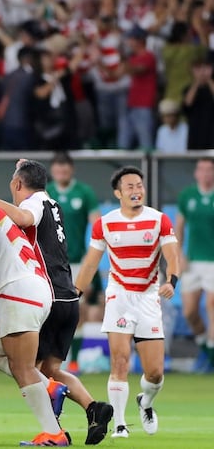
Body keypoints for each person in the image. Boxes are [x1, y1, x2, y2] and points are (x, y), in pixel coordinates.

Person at [0, 160, 113, 445]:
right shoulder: (54, 204)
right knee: (48, 370)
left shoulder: (35, 204)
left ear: (18, 185)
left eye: (13, 188)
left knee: (8, 360)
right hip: (68, 297)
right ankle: (93, 407)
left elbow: (25, 219)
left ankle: (53, 430)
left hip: (45, 296)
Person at [74, 166, 180, 439]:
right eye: (130, 187)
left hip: (148, 298)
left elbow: (172, 254)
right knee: (120, 361)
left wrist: (172, 281)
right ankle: (120, 424)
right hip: (119, 295)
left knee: (155, 373)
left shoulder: (159, 220)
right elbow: (90, 263)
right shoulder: (105, 223)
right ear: (118, 193)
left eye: (139, 186)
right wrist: (76, 293)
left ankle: (146, 402)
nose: (136, 191)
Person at [0, 202, 69, 446]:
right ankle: (48, 386)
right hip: (37, 289)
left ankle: (53, 434)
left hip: (17, 291)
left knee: (23, 368)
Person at [46, 152, 102, 371]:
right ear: (53, 171)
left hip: (77, 261)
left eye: (65, 168)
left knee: (79, 310)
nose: (62, 172)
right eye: (58, 168)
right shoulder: (46, 192)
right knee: (50, 309)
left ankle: (75, 360)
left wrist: (93, 255)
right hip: (51, 262)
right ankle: (49, 356)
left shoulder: (84, 192)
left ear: (71, 169)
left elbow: (96, 222)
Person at [176, 158, 214, 372]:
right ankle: (207, 350)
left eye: (210, 169)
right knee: (190, 311)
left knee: (212, 305)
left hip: (213, 261)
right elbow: (179, 226)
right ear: (196, 173)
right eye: (202, 169)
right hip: (193, 261)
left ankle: (211, 357)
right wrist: (179, 253)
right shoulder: (187, 196)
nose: (206, 173)